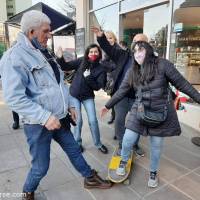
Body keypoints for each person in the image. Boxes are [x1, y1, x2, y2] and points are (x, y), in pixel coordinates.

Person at [0, 11, 112, 200]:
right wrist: (44, 117)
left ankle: (89, 177)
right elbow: (13, 97)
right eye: (46, 31)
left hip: (60, 117)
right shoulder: (14, 57)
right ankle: (28, 191)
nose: (49, 35)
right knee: (41, 167)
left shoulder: (44, 52)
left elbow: (60, 82)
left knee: (74, 149)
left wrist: (70, 105)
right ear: (31, 32)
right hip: (38, 124)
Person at [101, 40, 200, 188]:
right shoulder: (133, 70)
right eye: (134, 51)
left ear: (148, 50)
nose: (137, 53)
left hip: (160, 111)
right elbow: (121, 90)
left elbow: (182, 83)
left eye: (140, 49)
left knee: (156, 145)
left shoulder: (163, 64)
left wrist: (198, 98)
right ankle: (124, 160)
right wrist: (108, 106)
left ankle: (153, 172)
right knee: (127, 139)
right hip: (139, 108)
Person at [92, 27, 145, 156]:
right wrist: (101, 37)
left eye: (140, 41)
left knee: (138, 122)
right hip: (121, 97)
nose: (136, 44)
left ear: (146, 45)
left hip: (138, 99)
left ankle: (135, 144)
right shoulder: (123, 55)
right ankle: (122, 143)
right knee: (119, 121)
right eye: (134, 41)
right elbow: (109, 49)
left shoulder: (150, 61)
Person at [57, 44, 108, 154]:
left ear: (99, 54)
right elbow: (66, 66)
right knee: (78, 121)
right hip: (74, 95)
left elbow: (98, 87)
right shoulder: (81, 61)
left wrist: (88, 77)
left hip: (87, 96)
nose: (93, 54)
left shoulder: (101, 69)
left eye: (96, 52)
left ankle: (98, 143)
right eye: (91, 52)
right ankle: (77, 142)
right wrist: (60, 57)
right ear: (87, 53)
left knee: (93, 121)